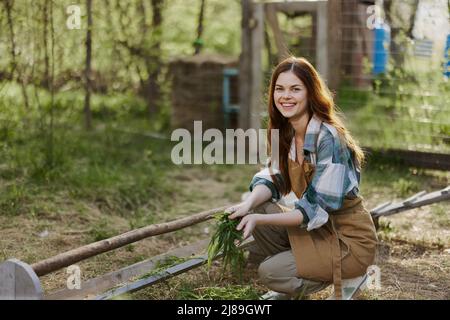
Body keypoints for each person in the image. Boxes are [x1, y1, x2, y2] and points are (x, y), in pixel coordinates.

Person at [225, 57, 378, 299]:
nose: (285, 96)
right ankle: (303, 268)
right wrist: (248, 205)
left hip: (346, 239)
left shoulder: (329, 140)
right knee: (260, 207)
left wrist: (257, 220)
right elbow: (274, 177)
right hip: (317, 229)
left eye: (295, 89)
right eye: (280, 89)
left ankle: (349, 275)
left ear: (310, 93)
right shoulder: (285, 132)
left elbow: (312, 210)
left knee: (271, 272)